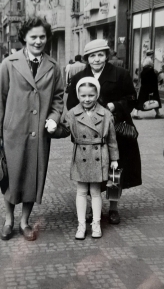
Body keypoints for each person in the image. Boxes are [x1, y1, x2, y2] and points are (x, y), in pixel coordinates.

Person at [0, 16, 64, 241]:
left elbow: (59, 98)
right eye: (34, 37)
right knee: (10, 178)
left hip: (39, 133)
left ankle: (24, 222)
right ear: (24, 38)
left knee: (33, 177)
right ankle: (9, 220)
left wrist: (54, 117)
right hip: (13, 132)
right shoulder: (9, 64)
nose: (38, 41)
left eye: (42, 36)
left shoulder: (53, 66)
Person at [67, 39, 142, 224]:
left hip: (116, 132)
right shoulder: (78, 78)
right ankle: (94, 208)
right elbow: (71, 104)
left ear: (107, 56)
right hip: (90, 135)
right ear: (87, 58)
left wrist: (114, 106)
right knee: (92, 172)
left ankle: (114, 208)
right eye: (92, 56)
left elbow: (132, 99)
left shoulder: (121, 74)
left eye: (101, 55)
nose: (97, 59)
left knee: (115, 173)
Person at [52, 77, 119, 239]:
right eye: (83, 96)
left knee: (96, 192)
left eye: (90, 95)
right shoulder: (72, 113)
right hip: (81, 154)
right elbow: (65, 130)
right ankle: (81, 224)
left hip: (99, 154)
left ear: (97, 95)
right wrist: (54, 129)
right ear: (78, 95)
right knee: (81, 191)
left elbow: (111, 139)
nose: (87, 99)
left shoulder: (105, 114)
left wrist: (114, 158)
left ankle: (96, 223)